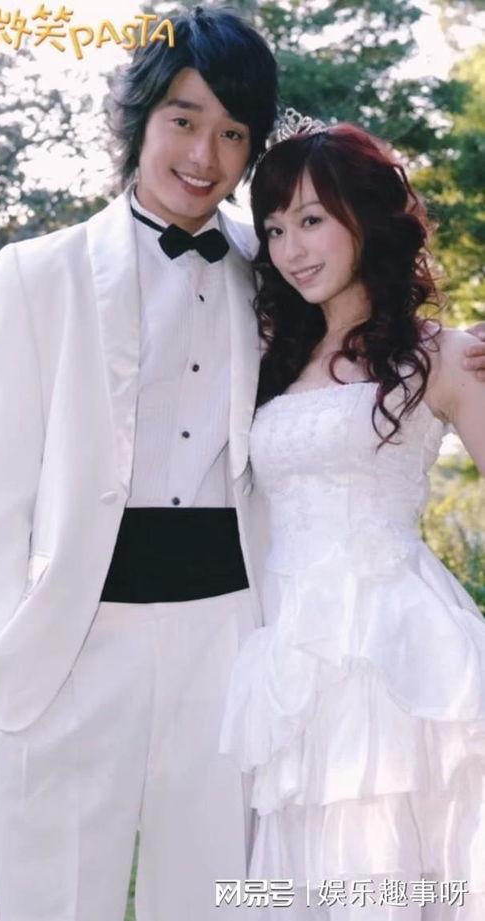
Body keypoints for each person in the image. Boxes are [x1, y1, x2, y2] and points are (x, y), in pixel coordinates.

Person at [0, 7, 277, 921]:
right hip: (72, 639)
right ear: (140, 118)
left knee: (218, 896)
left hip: (227, 639)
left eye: (232, 133)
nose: (204, 155)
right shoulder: (36, 274)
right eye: (184, 120)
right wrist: (3, 643)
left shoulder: (275, 274)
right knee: (56, 898)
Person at [220, 118, 485, 920]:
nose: (290, 249)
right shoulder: (269, 351)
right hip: (289, 653)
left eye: (310, 219)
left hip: (394, 651)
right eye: (273, 229)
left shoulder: (442, 354)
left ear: (364, 218)